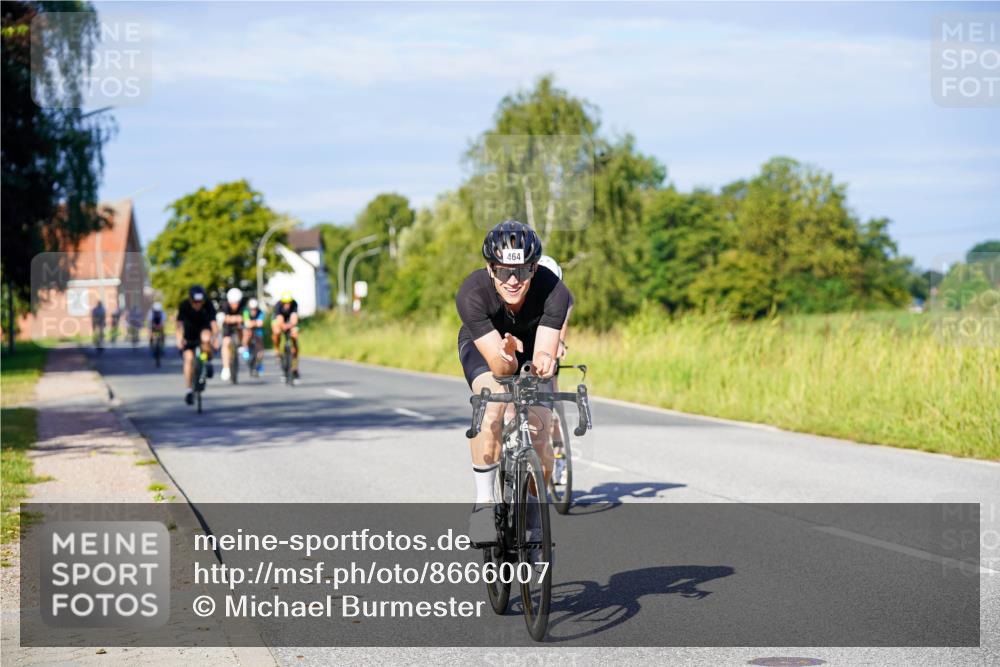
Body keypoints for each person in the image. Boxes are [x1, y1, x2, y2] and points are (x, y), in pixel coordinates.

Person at [456, 220, 573, 544]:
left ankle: (534, 511)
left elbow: (544, 356)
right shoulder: (473, 292)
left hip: (533, 343)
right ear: (489, 269)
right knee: (492, 407)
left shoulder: (554, 291)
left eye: (520, 271)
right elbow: (499, 365)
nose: (511, 280)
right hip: (486, 347)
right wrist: (505, 354)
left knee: (541, 429)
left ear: (534, 268)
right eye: (502, 270)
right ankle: (484, 504)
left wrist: (545, 363)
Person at [536, 255, 573, 486]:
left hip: (548, 348)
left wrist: (559, 344)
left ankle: (559, 457)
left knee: (550, 403)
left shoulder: (564, 296)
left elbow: (561, 323)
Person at [175, 285, 218, 405]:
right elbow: (179, 325)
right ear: (190, 300)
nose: (198, 304)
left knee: (206, 338)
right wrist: (179, 339)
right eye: (195, 302)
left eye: (200, 301)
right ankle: (189, 390)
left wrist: (215, 338)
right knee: (188, 359)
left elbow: (214, 324)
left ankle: (207, 361)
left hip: (203, 331)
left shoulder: (208, 305)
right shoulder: (184, 305)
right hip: (189, 335)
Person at [271, 290, 300, 383]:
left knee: (295, 336)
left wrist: (291, 327)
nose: (287, 305)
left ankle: (295, 365)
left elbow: (294, 318)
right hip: (279, 320)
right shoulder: (278, 305)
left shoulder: (294, 304)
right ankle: (277, 350)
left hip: (289, 321)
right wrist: (283, 326)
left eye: (289, 303)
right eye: (285, 303)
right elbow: (279, 320)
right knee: (277, 331)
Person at [219, 288, 244, 381]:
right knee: (226, 342)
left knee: (244, 330)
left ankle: (241, 347)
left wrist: (232, 318)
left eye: (237, 303)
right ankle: (226, 368)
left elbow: (244, 318)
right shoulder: (224, 305)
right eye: (233, 303)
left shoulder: (243, 305)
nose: (235, 305)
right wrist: (235, 318)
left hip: (238, 326)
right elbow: (223, 318)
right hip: (227, 327)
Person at [241, 297, 266, 374]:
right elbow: (247, 323)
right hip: (248, 331)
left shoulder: (261, 312)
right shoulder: (246, 312)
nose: (253, 311)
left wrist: (252, 323)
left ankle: (259, 364)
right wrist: (255, 323)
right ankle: (245, 350)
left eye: (255, 309)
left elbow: (260, 323)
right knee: (246, 334)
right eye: (252, 309)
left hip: (258, 332)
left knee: (260, 351)